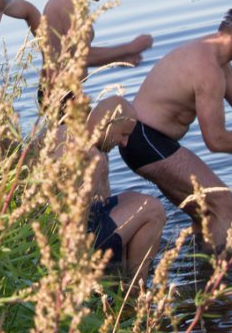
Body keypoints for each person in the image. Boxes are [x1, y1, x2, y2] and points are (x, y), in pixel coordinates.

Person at [125, 3, 232, 255]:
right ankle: (217, 276)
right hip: (145, 139)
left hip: (150, 140)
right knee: (224, 203)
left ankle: (198, 278)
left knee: (207, 214)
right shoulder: (208, 69)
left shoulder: (216, 56)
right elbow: (215, 140)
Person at [38, 96, 165, 287]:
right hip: (69, 240)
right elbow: (77, 218)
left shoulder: (58, 133)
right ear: (108, 124)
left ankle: (119, 275)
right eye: (123, 134)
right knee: (153, 209)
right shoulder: (91, 157)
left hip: (40, 228)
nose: (125, 143)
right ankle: (135, 293)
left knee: (133, 198)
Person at [40, 0, 153, 111]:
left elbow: (75, 57)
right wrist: (130, 47)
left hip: (65, 93)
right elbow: (83, 56)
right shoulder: (69, 4)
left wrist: (120, 58)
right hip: (59, 96)